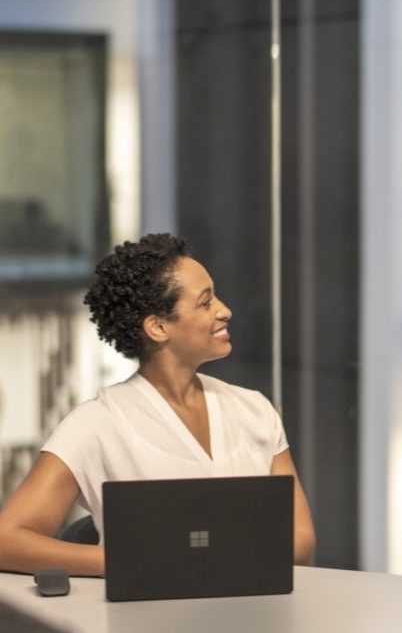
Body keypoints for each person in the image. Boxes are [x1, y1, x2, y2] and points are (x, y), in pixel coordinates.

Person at [0, 234, 316, 576]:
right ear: (159, 326)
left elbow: (300, 539)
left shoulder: (254, 410)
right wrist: (130, 561)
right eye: (206, 302)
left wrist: (198, 561)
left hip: (257, 612)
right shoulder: (97, 424)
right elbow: (8, 541)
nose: (225, 311)